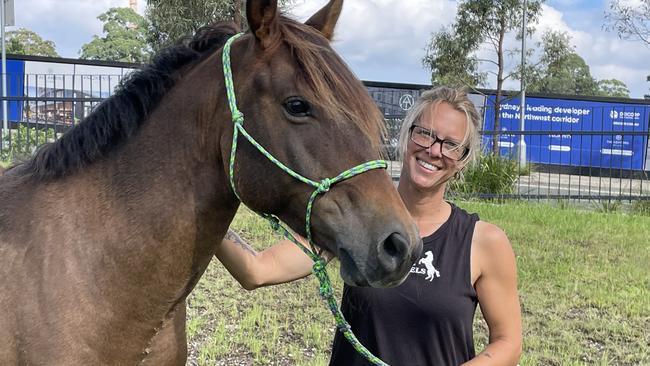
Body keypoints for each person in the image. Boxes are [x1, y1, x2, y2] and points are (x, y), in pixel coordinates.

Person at [215, 86, 522, 365]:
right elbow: (256, 270)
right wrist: (201, 209)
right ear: (406, 136)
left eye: (451, 144)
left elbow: (508, 342)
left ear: (463, 160)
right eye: (425, 134)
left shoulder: (483, 242)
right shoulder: (358, 220)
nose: (434, 150)